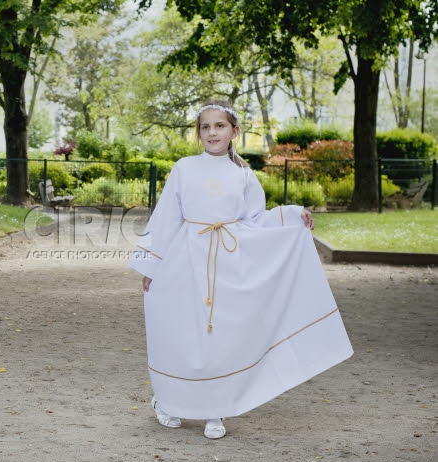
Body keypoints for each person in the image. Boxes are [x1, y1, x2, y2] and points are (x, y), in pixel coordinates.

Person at [128, 101, 353, 439]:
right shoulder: (184, 168)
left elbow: (254, 221)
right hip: (185, 261)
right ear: (198, 134)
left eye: (219, 126)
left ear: (234, 131)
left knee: (221, 336)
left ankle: (215, 409)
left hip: (227, 267)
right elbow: (167, 218)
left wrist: (291, 215)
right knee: (181, 331)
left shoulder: (242, 174)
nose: (212, 132)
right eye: (205, 127)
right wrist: (152, 266)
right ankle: (168, 401)